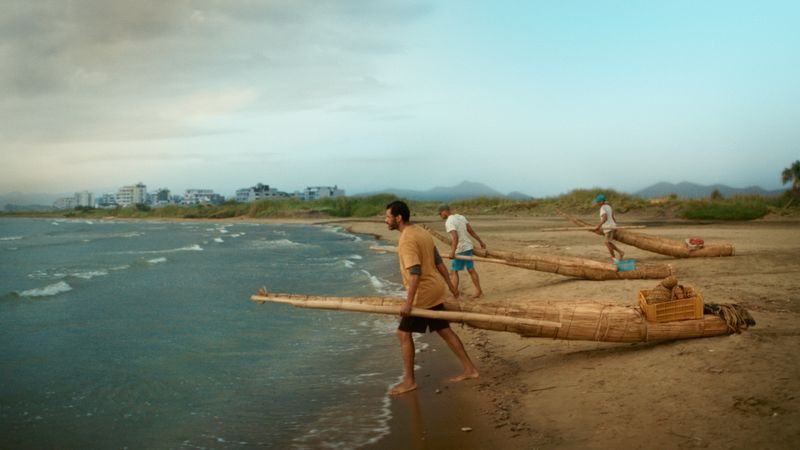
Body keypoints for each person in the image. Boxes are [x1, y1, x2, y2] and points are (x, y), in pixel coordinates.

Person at [385, 200, 479, 396]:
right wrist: (450, 285)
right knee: (443, 329)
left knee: (403, 334)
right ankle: (470, 369)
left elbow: (415, 272)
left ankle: (409, 381)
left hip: (423, 293)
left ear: (398, 218)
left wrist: (408, 303)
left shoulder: (407, 239)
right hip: (436, 288)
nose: (386, 221)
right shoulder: (421, 231)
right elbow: (438, 261)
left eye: (388, 217)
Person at [437, 204, 486, 298]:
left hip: (460, 249)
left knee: (454, 271)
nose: (440, 216)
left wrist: (452, 251)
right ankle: (478, 290)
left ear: (445, 211)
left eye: (440, 214)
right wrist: (481, 242)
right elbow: (471, 231)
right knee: (471, 269)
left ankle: (454, 294)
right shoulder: (461, 217)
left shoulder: (449, 221)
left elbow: (455, 237)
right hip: (468, 246)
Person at [592, 194, 625, 262]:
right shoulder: (608, 206)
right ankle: (618, 254)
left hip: (609, 228)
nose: (597, 203)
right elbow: (613, 217)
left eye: (598, 202)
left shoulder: (603, 208)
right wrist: (615, 225)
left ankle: (616, 256)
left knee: (607, 243)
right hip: (612, 226)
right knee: (608, 242)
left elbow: (605, 218)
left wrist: (598, 226)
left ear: (601, 202)